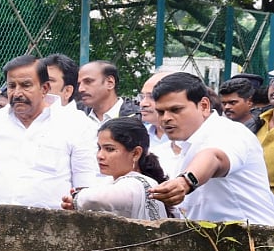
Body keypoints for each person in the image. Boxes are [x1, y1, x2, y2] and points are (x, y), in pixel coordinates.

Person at [0, 55, 98, 208]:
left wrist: (76, 204)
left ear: (44, 88)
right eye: (12, 86)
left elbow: (84, 182)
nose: (17, 93)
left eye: (26, 85)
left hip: (53, 224)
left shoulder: (76, 124)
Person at [148, 72, 274, 224]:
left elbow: (214, 156)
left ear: (204, 106)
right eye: (161, 112)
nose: (165, 118)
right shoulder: (188, 144)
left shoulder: (228, 131)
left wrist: (185, 182)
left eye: (176, 110)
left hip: (254, 243)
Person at [61, 118, 169, 220]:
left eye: (110, 149)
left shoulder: (139, 184)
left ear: (136, 153)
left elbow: (96, 199)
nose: (100, 155)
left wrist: (76, 198)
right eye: (99, 148)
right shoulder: (109, 182)